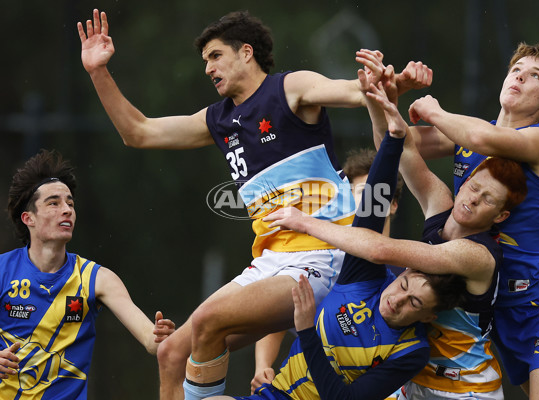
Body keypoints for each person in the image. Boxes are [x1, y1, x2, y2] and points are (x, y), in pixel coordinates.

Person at [77, 9, 432, 400]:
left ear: (246, 52)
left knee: (209, 320)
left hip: (322, 256)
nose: (208, 68)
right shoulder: (218, 119)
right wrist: (98, 72)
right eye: (205, 61)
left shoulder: (290, 88)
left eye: (214, 56)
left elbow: (353, 90)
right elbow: (138, 133)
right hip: (269, 261)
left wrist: (390, 82)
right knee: (171, 351)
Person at [267, 68, 529, 400]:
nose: (474, 198)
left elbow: (378, 250)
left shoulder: (476, 255)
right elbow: (397, 150)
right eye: (474, 187)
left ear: (500, 215)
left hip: (465, 391)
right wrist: (386, 104)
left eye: (487, 198)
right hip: (415, 386)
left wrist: (305, 222)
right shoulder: (441, 206)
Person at [207, 105, 466, 400]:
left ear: (430, 316)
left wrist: (306, 330)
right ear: (405, 273)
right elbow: (371, 210)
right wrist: (393, 139)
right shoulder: (365, 276)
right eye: (404, 286)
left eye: (414, 303)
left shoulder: (411, 350)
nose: (397, 300)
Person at [407, 42, 539, 400]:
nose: (520, 76)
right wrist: (388, 92)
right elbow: (397, 143)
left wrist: (433, 108)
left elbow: (479, 137)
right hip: (496, 308)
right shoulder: (466, 132)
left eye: (535, 76)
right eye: (516, 69)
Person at [0, 149, 175, 399]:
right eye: (54, 203)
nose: (67, 210)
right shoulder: (3, 271)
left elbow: (150, 339)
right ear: (29, 218)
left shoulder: (98, 279)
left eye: (70, 203)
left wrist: (161, 337)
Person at [250, 148, 404, 394]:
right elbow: (278, 314)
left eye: (374, 195)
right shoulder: (325, 260)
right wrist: (262, 366)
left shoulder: (406, 279)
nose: (366, 203)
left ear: (393, 204)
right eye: (360, 193)